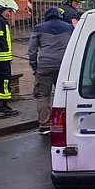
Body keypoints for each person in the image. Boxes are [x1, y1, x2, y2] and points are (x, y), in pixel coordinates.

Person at [28, 7, 74, 135]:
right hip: (64, 67)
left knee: (42, 95)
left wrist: (34, 67)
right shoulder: (69, 28)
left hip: (44, 66)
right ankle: (66, 122)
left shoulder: (38, 28)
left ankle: (45, 125)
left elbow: (32, 51)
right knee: (65, 95)